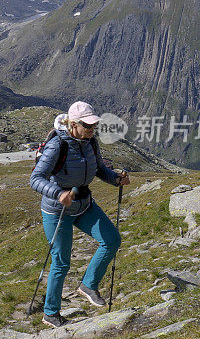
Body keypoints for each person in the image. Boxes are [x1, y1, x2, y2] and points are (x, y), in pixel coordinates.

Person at [29, 101, 130, 327]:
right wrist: (58, 193)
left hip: (84, 204)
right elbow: (35, 179)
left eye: (94, 125)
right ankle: (51, 313)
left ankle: (88, 285)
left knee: (112, 240)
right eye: (87, 126)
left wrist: (115, 178)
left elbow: (98, 169)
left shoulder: (90, 142)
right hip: (58, 211)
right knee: (61, 263)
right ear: (73, 124)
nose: (92, 130)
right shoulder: (57, 145)